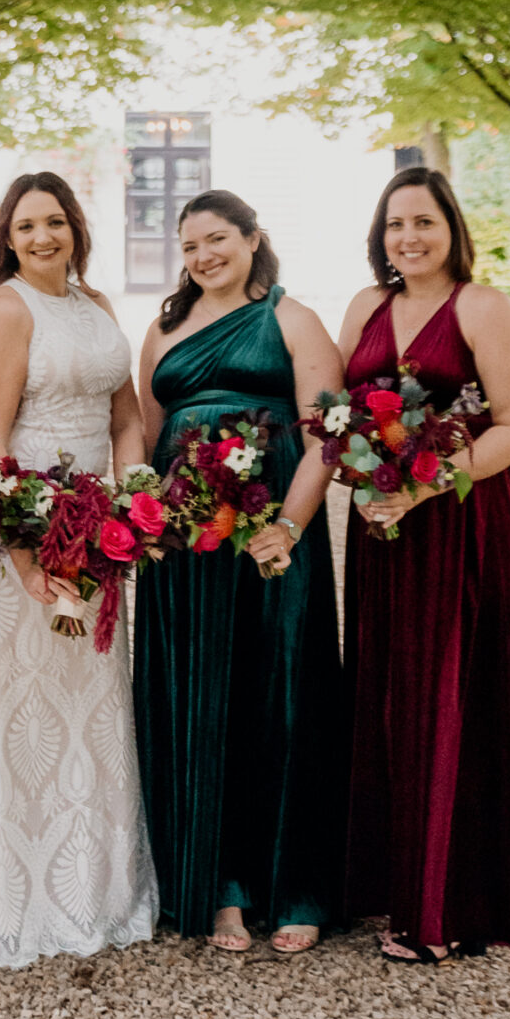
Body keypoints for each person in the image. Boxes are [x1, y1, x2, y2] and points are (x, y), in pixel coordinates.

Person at [0, 172, 158, 966]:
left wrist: (127, 503)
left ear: (75, 229)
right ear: (7, 236)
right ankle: (11, 896)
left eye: (55, 222)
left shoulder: (96, 306)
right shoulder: (6, 311)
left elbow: (124, 415)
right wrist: (31, 560)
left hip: (99, 533)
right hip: (25, 535)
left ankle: (95, 886)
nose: (42, 237)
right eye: (26, 225)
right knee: (24, 702)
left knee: (92, 697)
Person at [133, 189, 344, 955]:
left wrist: (288, 523)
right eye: (189, 246)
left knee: (283, 694)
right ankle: (219, 887)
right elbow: (148, 445)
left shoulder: (293, 320)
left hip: (272, 532)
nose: (202, 257)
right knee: (204, 695)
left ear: (253, 238)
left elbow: (327, 435)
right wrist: (147, 524)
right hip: (189, 543)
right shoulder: (161, 331)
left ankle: (294, 885)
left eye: (216, 239)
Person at [339, 164, 510, 963]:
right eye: (394, 224)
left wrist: (425, 484)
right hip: (380, 527)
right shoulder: (367, 307)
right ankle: (387, 882)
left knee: (449, 693)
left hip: (461, 521)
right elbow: (335, 414)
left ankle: (446, 906)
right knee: (385, 693)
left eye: (422, 222)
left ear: (452, 228)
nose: (407, 238)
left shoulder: (482, 308)